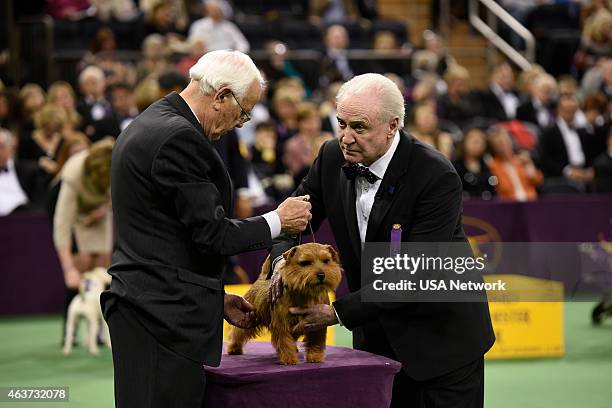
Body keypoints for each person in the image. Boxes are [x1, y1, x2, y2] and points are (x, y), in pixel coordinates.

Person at [100, 50, 312, 408]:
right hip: (162, 318)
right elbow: (211, 235)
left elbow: (169, 237)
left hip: (151, 307)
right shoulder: (178, 139)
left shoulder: (153, 119)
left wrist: (212, 300)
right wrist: (278, 220)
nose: (242, 123)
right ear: (222, 96)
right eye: (243, 111)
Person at [268, 73, 494, 407]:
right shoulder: (331, 157)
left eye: (359, 127)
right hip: (375, 343)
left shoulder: (435, 175)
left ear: (393, 125)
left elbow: (414, 273)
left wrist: (337, 312)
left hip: (443, 346)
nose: (345, 137)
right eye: (341, 123)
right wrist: (279, 264)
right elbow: (292, 219)